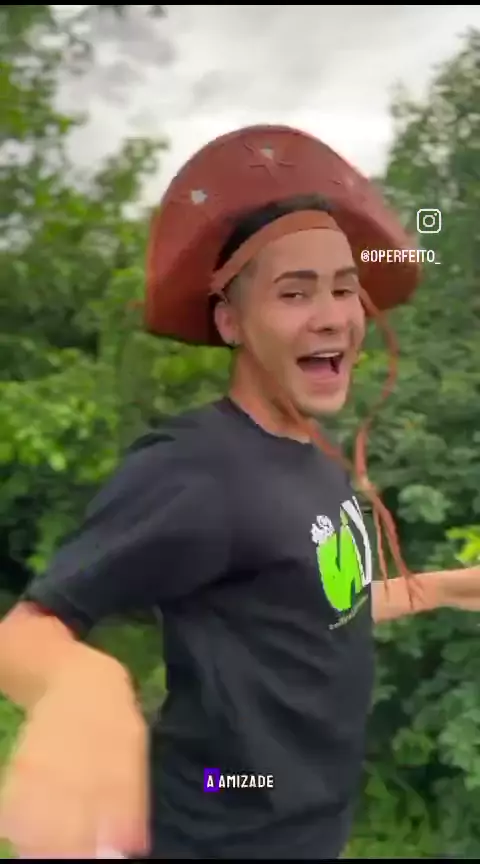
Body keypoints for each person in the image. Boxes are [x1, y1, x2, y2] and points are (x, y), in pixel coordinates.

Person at [0, 125, 478, 861]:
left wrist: (448, 588)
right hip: (214, 822)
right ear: (232, 321)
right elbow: (25, 632)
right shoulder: (196, 467)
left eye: (344, 288)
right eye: (295, 292)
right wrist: (83, 689)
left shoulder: (317, 463)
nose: (332, 314)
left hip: (310, 832)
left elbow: (320, 601)